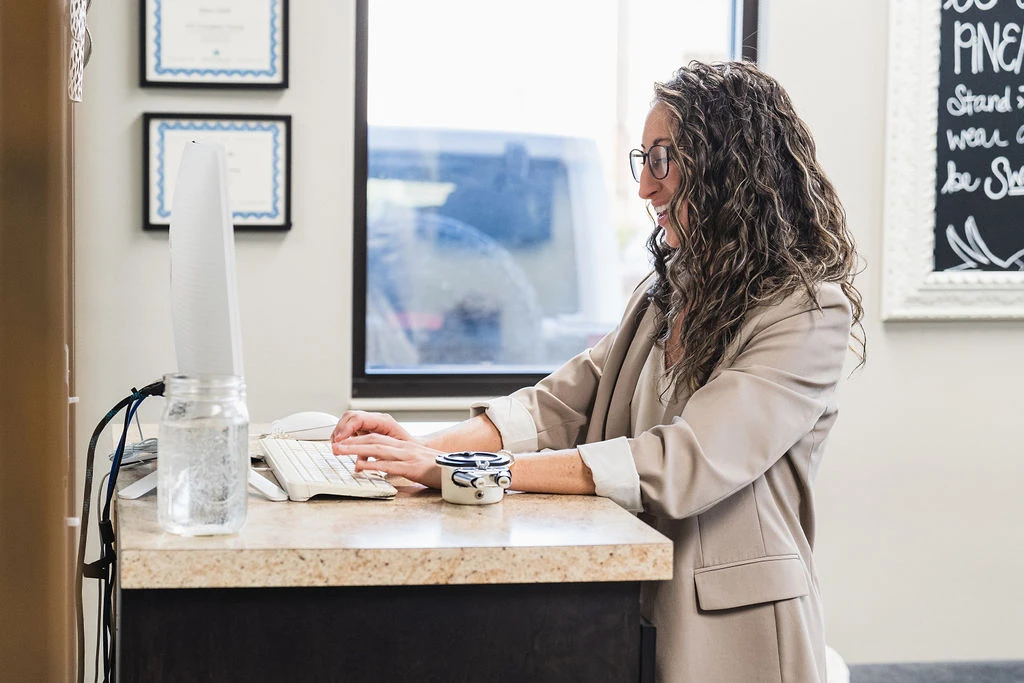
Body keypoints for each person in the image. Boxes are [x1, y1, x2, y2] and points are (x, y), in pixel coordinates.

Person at [333, 60, 865, 682]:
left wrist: (461, 474)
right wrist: (420, 448)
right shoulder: (666, 292)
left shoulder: (806, 313)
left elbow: (682, 463)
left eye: (663, 159)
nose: (645, 188)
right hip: (627, 591)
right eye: (644, 161)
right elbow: (555, 407)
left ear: (729, 166)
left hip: (731, 627)